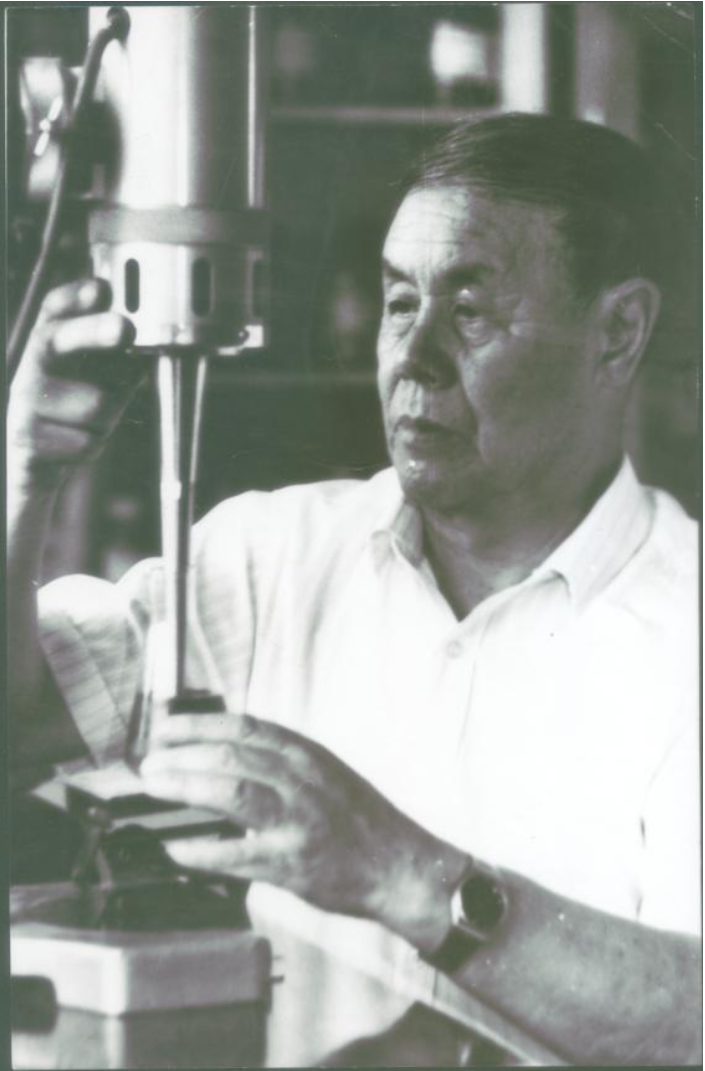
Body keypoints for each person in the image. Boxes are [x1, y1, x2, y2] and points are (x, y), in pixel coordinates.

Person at [8, 114, 700, 1064]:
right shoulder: (275, 558)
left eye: (469, 311)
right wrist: (20, 476)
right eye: (398, 302)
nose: (412, 356)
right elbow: (15, 723)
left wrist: (396, 871)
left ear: (618, 332)